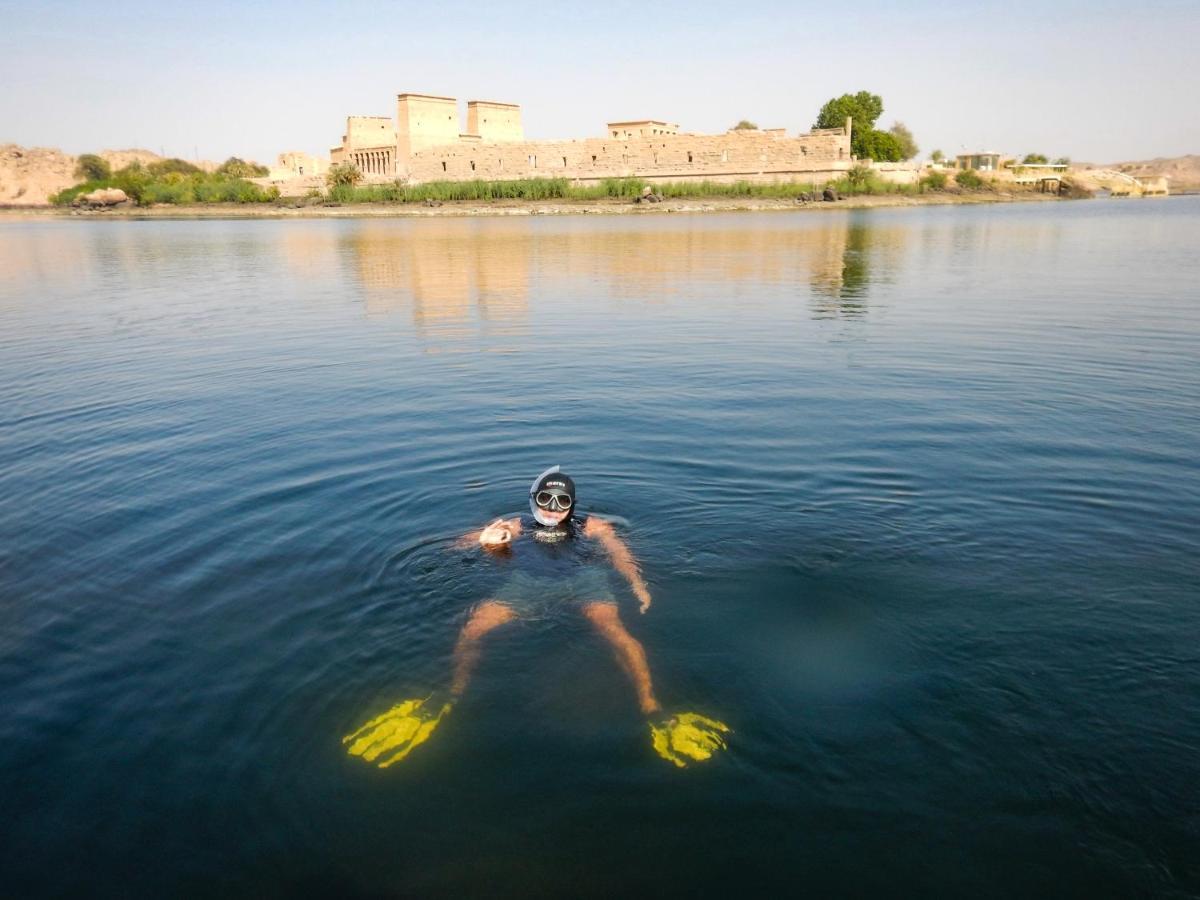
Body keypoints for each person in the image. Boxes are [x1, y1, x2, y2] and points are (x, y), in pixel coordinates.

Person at [343, 466, 729, 769]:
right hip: (526, 585)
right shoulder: (515, 525)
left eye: (561, 502)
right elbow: (456, 546)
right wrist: (484, 542)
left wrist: (637, 585)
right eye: (545, 499)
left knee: (615, 630)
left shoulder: (591, 525)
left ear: (572, 505)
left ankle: (653, 709)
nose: (551, 509)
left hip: (585, 581)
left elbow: (619, 553)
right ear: (534, 499)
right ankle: (448, 695)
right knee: (473, 626)